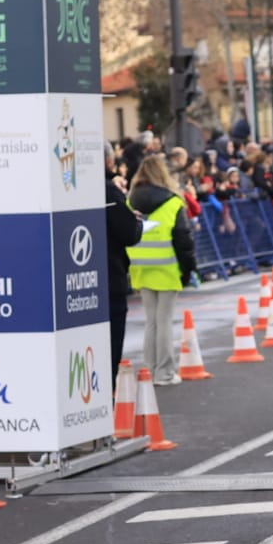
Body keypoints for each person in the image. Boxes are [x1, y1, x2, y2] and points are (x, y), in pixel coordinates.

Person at [126, 155, 196, 386]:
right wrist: (188, 269)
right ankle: (164, 373)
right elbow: (183, 239)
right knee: (164, 321)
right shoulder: (173, 202)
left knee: (152, 322)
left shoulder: (129, 201)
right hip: (167, 267)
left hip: (140, 267)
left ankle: (150, 369)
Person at [104, 143, 143, 370]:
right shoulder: (108, 190)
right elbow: (128, 232)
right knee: (111, 345)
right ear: (109, 161)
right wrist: (135, 223)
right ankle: (107, 396)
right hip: (111, 274)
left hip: (86, 278)